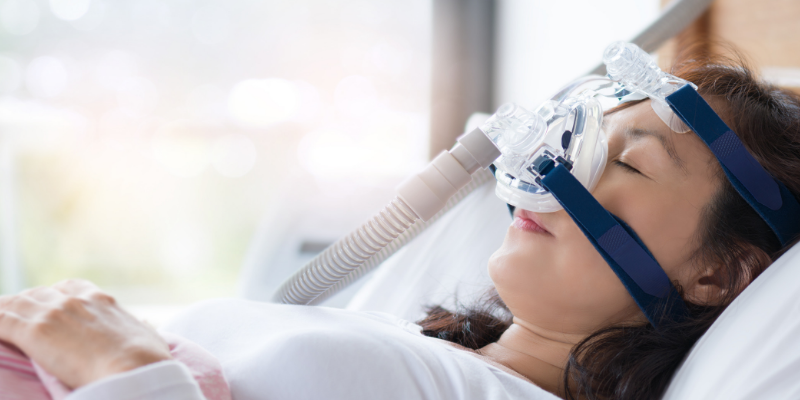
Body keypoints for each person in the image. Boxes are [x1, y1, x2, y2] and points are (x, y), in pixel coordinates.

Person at [2, 50, 800, 400]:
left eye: (628, 165)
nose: (562, 174)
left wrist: (123, 366)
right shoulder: (419, 349)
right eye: (583, 140)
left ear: (719, 272)